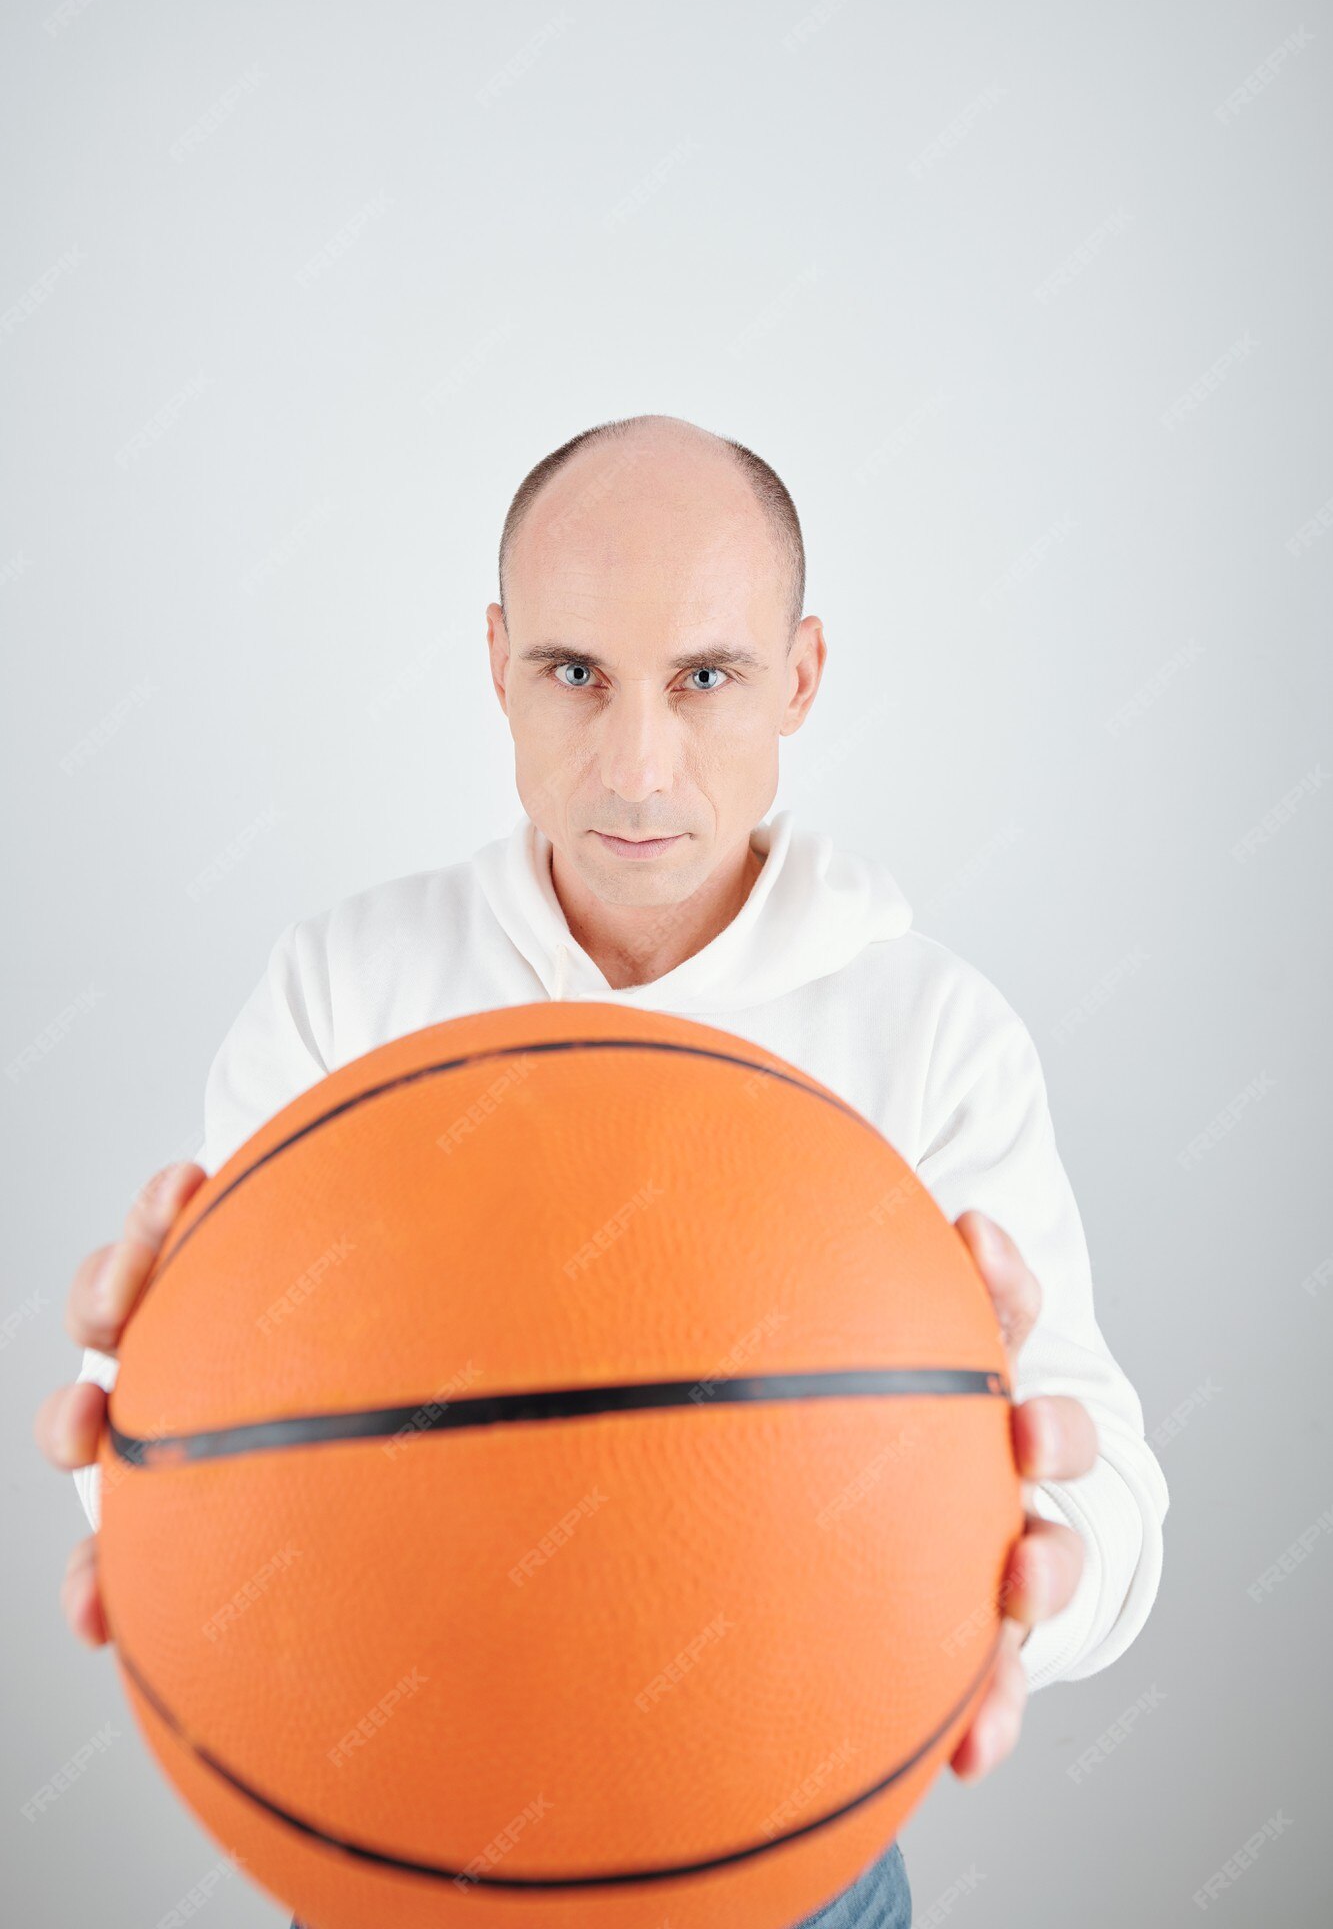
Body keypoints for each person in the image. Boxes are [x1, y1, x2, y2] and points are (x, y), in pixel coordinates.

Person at [34, 413, 1168, 1929]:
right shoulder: (346, 993)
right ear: (496, 664)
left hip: (786, 1873)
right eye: (574, 675)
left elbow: (1116, 1512)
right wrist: (154, 1493)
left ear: (803, 676)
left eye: (707, 677)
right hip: (397, 1840)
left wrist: (1021, 1572)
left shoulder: (928, 1033)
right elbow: (202, 1477)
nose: (638, 764)